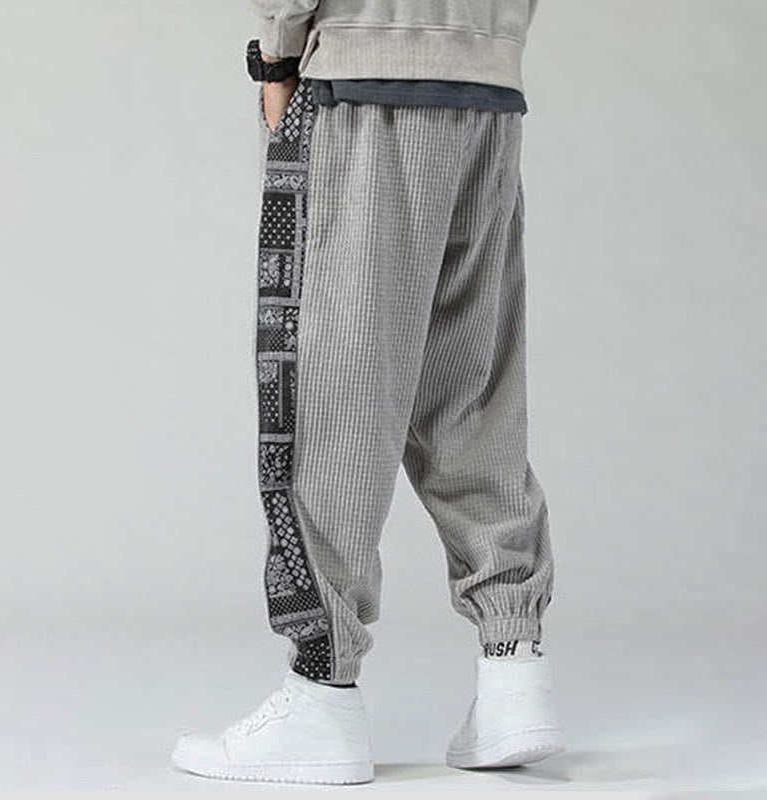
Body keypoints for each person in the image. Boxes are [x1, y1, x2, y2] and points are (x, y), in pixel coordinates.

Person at [172, 0, 565, 785]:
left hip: (361, 83)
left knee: (335, 395)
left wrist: (277, 59)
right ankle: (514, 674)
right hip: (490, 89)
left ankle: (321, 697)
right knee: (473, 389)